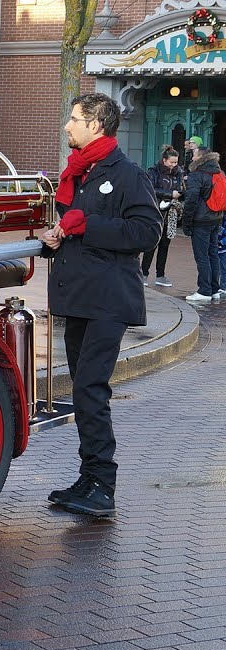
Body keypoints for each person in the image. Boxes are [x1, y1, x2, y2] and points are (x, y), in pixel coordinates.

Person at [42, 92, 160, 518]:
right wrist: (56, 235)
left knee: (91, 389)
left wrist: (86, 224)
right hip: (81, 297)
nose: (68, 126)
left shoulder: (125, 174)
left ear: (96, 125)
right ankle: (90, 478)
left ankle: (102, 486)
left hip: (109, 298)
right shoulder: (78, 172)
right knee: (84, 389)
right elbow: (73, 226)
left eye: (74, 119)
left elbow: (147, 231)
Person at [180, 145, 224, 303]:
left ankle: (204, 290)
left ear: (201, 157)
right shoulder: (220, 172)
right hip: (216, 218)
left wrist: (186, 223)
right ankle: (214, 289)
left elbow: (191, 200)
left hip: (201, 221)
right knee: (213, 253)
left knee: (202, 255)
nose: (192, 158)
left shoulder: (197, 174)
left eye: (194, 155)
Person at [142, 146, 184, 287]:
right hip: (155, 211)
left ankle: (161, 275)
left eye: (176, 162)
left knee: (165, 244)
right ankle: (144, 273)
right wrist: (169, 194)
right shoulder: (153, 171)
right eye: (171, 162)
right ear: (164, 160)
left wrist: (179, 192)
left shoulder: (178, 172)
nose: (174, 165)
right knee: (152, 243)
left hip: (170, 212)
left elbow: (180, 188)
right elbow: (150, 189)